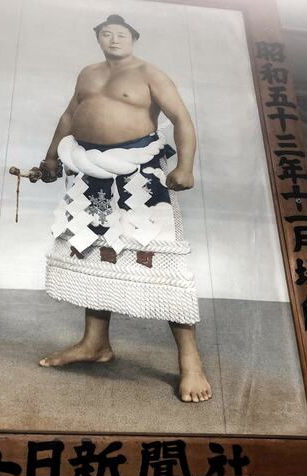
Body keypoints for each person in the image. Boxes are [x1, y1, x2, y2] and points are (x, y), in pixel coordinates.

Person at [34, 14, 211, 403]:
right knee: (94, 250)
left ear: (133, 38)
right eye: (106, 34)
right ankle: (95, 343)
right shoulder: (88, 73)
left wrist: (185, 166)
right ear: (98, 38)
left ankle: (190, 361)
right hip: (86, 170)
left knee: (160, 260)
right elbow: (69, 116)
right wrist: (50, 157)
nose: (114, 39)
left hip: (139, 172)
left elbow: (181, 119)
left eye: (121, 34)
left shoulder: (150, 74)